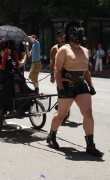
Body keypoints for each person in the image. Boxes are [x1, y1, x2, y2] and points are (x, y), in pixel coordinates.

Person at [46, 19, 103, 157]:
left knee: (88, 112)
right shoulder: (64, 50)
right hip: (67, 85)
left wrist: (91, 85)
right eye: (78, 32)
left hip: (81, 86)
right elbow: (57, 70)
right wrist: (61, 88)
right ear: (71, 34)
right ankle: (51, 136)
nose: (81, 35)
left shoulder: (85, 51)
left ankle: (90, 145)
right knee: (61, 114)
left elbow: (86, 71)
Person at [0, 40, 38, 120]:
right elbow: (0, 70)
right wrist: (4, 60)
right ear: (1, 50)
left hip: (12, 80)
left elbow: (15, 67)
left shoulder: (10, 58)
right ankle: (29, 92)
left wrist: (16, 61)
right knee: (15, 80)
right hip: (2, 82)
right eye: (6, 50)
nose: (8, 52)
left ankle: (21, 105)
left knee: (17, 78)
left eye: (9, 50)